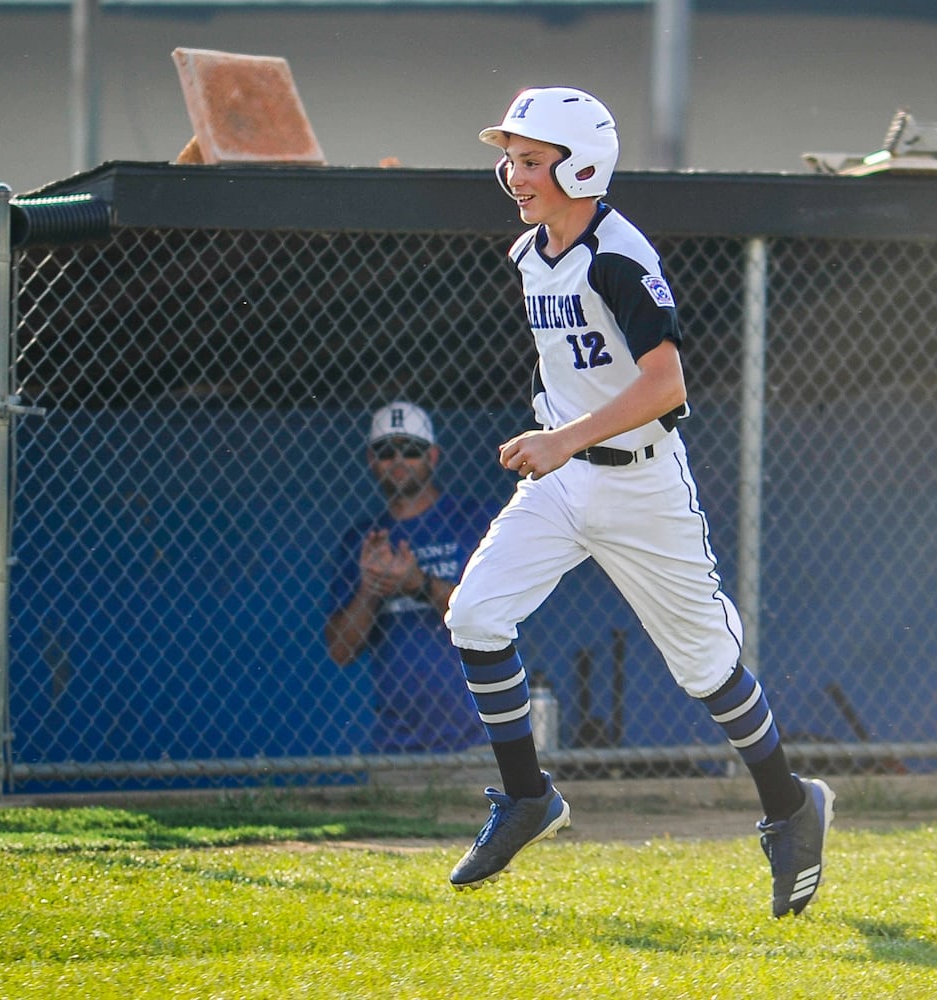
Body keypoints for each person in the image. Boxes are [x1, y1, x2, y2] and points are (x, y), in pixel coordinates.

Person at [442, 86, 834, 918]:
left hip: (640, 481)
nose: (514, 173)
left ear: (580, 164)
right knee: (475, 613)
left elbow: (666, 385)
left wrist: (562, 438)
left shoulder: (618, 255)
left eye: (531, 159)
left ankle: (790, 806)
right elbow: (574, 367)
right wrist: (557, 437)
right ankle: (527, 797)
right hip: (565, 473)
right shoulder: (532, 252)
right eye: (509, 157)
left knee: (704, 665)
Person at [324, 401, 496, 754]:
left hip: (481, 738)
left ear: (432, 457)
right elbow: (341, 650)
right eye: (386, 451)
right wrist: (373, 587)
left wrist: (418, 584)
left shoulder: (474, 521)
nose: (399, 461)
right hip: (395, 745)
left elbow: (490, 615)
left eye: (412, 450)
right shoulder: (364, 539)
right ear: (372, 460)